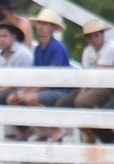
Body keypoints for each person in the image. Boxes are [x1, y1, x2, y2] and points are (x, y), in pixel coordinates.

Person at [6, 8, 73, 141]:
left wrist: (27, 93)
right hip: (45, 87)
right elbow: (36, 76)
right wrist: (24, 92)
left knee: (29, 98)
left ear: (52, 27)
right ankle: (43, 131)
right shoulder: (38, 49)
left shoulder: (56, 47)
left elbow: (54, 78)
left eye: (45, 24)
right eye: (39, 24)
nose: (40, 27)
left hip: (60, 90)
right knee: (13, 98)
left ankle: (56, 129)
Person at [54, 19, 114, 112]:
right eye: (89, 37)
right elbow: (85, 74)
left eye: (96, 35)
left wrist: (83, 91)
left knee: (82, 101)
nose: (93, 40)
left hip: (108, 86)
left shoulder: (110, 47)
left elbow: (100, 73)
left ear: (103, 34)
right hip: (91, 85)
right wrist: (83, 90)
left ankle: (96, 123)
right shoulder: (88, 51)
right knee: (63, 103)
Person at [0, 23, 33, 105]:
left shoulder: (22, 54)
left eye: (5, 36)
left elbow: (18, 82)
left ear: (14, 36)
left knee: (2, 96)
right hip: (3, 86)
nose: (2, 39)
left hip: (20, 89)